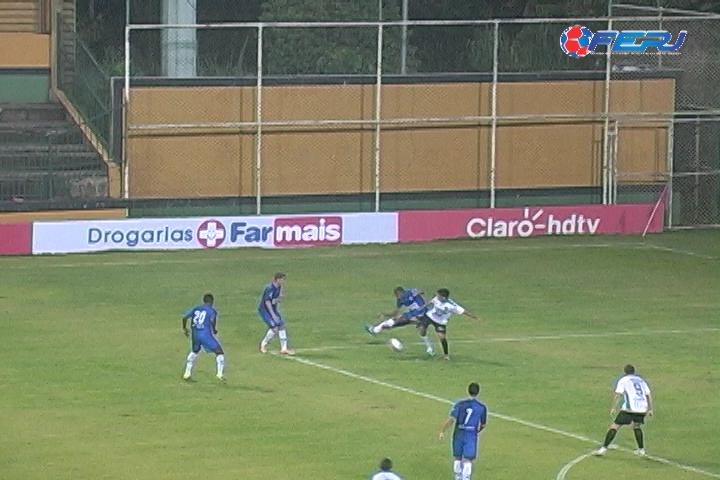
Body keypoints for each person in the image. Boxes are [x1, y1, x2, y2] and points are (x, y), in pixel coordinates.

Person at [593, 364, 653, 456]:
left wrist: (613, 407)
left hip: (630, 409)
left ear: (625, 372)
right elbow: (648, 394)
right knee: (636, 426)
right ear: (634, 371)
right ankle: (641, 450)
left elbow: (618, 395)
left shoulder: (623, 380)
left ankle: (603, 449)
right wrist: (650, 409)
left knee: (615, 426)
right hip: (642, 408)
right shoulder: (641, 380)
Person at [439, 382, 488, 480]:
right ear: (478, 392)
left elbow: (451, 419)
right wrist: (477, 431)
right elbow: (483, 424)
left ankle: (458, 477)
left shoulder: (460, 404)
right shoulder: (481, 407)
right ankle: (465, 478)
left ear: (468, 391)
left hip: (459, 433)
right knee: (468, 459)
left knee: (457, 457)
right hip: (471, 435)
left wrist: (442, 431)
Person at [417, 288, 478, 360]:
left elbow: (464, 311)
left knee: (442, 337)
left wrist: (475, 317)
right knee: (421, 328)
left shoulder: (451, 305)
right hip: (430, 316)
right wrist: (422, 307)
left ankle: (446, 355)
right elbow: (431, 302)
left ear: (444, 297)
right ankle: (428, 345)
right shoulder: (437, 298)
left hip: (441, 321)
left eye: (439, 296)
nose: (437, 297)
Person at [181, 293, 225, 382]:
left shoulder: (196, 308)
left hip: (195, 334)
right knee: (219, 352)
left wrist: (185, 328)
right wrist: (214, 330)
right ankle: (219, 374)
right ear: (211, 301)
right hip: (205, 334)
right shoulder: (211, 310)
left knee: (194, 351)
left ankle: (187, 373)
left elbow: (184, 317)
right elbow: (212, 320)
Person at [258, 272, 294, 354]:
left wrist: (279, 298)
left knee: (281, 325)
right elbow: (267, 302)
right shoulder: (270, 288)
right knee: (275, 328)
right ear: (277, 279)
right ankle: (263, 344)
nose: (283, 281)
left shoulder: (279, 287)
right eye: (282, 279)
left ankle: (284, 348)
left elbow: (275, 300)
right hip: (265, 310)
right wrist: (273, 315)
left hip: (273, 309)